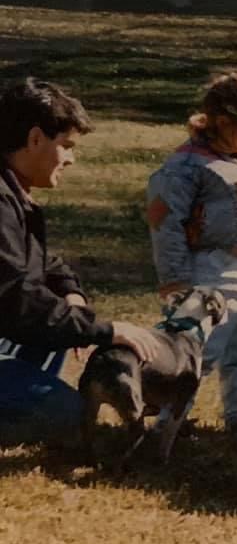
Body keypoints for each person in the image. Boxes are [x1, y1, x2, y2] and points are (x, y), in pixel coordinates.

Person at [0, 78, 160, 447]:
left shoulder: (13, 193)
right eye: (67, 146)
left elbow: (40, 262)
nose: (71, 159)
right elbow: (15, 297)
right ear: (36, 138)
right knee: (68, 416)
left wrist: (72, 294)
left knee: (59, 335)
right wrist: (103, 330)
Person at [146, 71, 237, 436]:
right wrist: (174, 278)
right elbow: (165, 223)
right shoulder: (187, 167)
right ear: (223, 123)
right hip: (205, 269)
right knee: (198, 348)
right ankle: (169, 420)